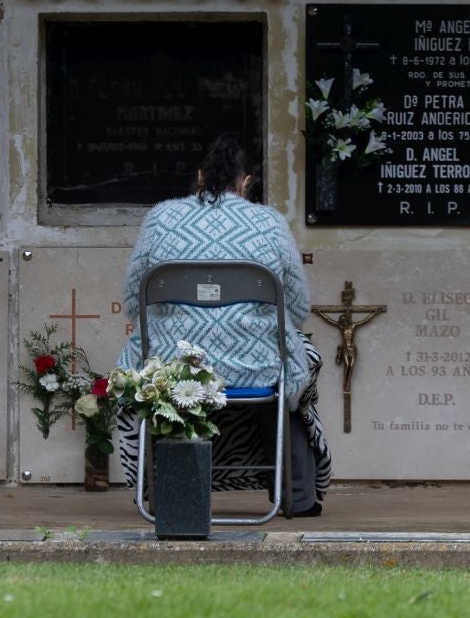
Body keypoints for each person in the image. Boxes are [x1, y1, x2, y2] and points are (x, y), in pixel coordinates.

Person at [114, 134, 332, 516]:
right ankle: (297, 496)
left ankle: (166, 493)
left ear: (200, 177)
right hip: (257, 367)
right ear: (245, 183)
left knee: (144, 359)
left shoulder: (162, 217)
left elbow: (135, 300)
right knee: (295, 370)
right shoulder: (268, 222)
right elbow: (296, 307)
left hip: (177, 366)